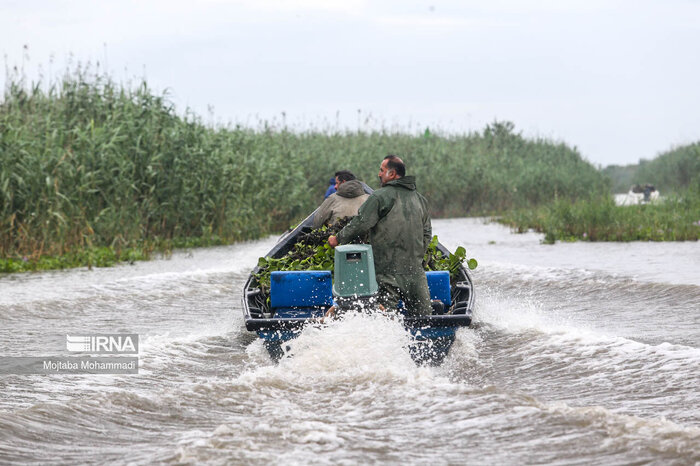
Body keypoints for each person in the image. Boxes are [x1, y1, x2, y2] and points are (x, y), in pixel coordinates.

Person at [328, 155, 433, 317]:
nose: (378, 174)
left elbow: (361, 223)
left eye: (381, 170)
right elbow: (427, 234)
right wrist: (416, 257)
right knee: (425, 318)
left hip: (387, 274)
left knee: (385, 320)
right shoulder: (421, 200)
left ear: (392, 174)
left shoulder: (379, 197)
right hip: (415, 273)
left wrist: (338, 238)